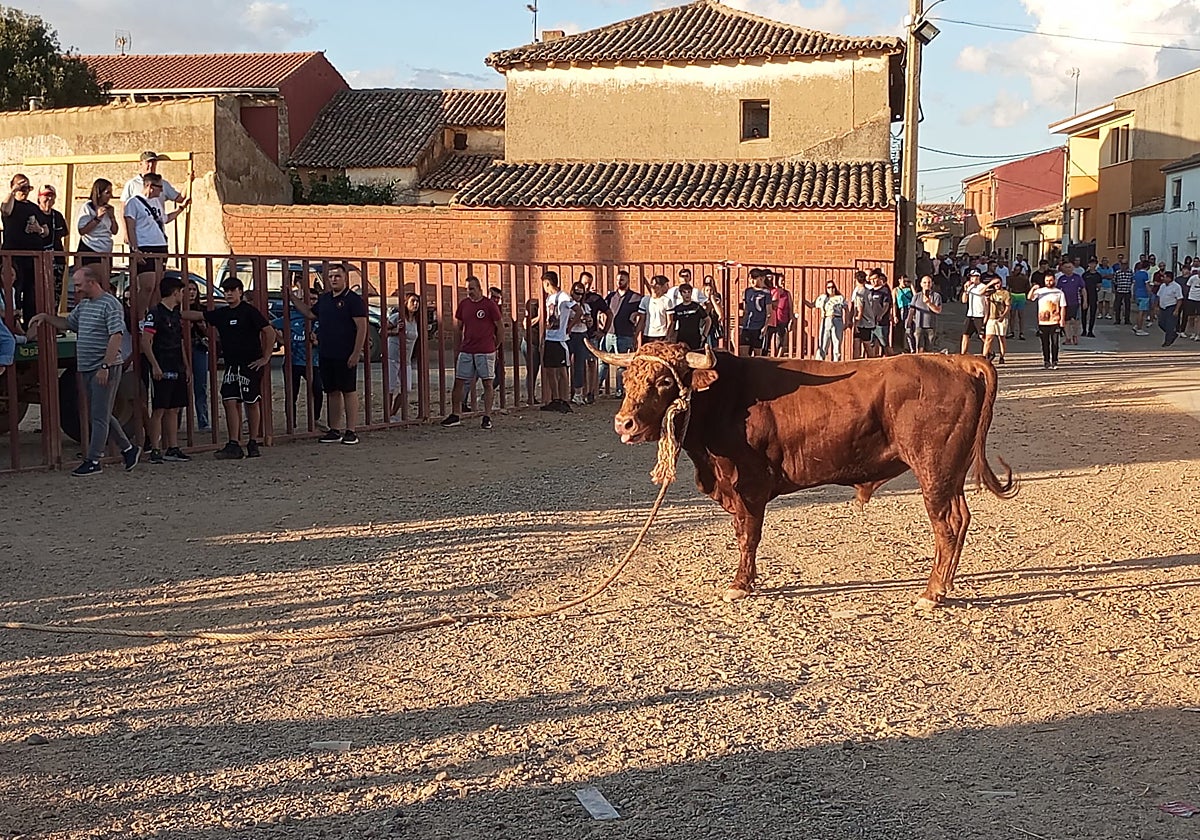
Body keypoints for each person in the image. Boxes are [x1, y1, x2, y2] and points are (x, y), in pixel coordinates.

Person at [28, 266, 139, 476]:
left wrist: (105, 365)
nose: (76, 289)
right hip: (88, 366)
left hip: (103, 366)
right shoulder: (85, 305)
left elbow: (116, 335)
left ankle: (94, 459)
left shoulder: (111, 304)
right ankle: (128, 449)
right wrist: (45, 317)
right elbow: (69, 323)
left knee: (98, 415)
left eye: (79, 284)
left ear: (92, 282)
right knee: (100, 413)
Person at [181, 276, 273, 459]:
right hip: (232, 365)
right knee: (229, 400)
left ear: (240, 292)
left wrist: (266, 357)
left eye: (232, 290)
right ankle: (233, 443)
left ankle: (253, 441)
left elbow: (268, 331)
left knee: (251, 401)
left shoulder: (250, 312)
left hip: (251, 363)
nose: (229, 294)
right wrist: (173, 312)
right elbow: (199, 315)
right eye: (226, 291)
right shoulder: (222, 313)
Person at [291, 263, 368, 444]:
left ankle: (351, 431)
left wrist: (356, 353)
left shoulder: (353, 300)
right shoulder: (325, 299)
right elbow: (311, 314)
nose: (334, 279)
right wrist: (293, 299)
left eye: (337, 276)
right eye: (331, 276)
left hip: (345, 353)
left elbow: (362, 327)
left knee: (348, 391)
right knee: (332, 391)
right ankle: (334, 430)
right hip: (326, 353)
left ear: (345, 278)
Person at [139, 275, 191, 463]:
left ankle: (173, 447)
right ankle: (155, 449)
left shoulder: (176, 314)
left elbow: (180, 341)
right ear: (175, 292)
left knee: (174, 408)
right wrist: (155, 365)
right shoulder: (156, 313)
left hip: (176, 365)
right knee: (160, 408)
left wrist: (186, 366)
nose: (183, 296)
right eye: (182, 292)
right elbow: (146, 341)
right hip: (162, 364)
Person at [441, 275, 502, 429]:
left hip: (485, 350)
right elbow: (458, 327)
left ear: (479, 288)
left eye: (472, 288)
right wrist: (457, 347)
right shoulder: (464, 305)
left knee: (487, 382)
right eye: (468, 289)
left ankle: (487, 416)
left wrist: (496, 345)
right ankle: (456, 414)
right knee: (459, 381)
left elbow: (499, 326)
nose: (470, 292)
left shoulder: (489, 305)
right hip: (467, 349)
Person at [124, 173, 181, 316]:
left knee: (157, 287)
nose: (161, 191)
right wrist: (134, 248)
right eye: (159, 187)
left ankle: (153, 317)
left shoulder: (156, 202)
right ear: (149, 186)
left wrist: (180, 209)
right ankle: (139, 317)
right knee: (147, 285)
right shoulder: (134, 202)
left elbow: (165, 219)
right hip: (145, 246)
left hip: (160, 245)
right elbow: (130, 226)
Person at [273, 292, 323, 430]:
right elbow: (270, 326)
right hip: (293, 361)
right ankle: (291, 423)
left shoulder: (320, 317)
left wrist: (317, 342)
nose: (311, 302)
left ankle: (315, 419)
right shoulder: (291, 317)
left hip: (314, 362)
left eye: (314, 299)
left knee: (318, 390)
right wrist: (281, 341)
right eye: (307, 299)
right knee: (291, 394)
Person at [2, 174, 46, 326]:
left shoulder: (33, 207)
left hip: (32, 255)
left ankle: (30, 326)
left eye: (27, 188)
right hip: (13, 254)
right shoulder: (11, 203)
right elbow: (5, 210)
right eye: (22, 187)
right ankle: (14, 324)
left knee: (32, 293)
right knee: (14, 289)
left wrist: (39, 229)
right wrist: (13, 191)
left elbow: (46, 230)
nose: (25, 191)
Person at [539, 270, 576, 413]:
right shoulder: (549, 298)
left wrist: (569, 327)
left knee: (562, 370)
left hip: (560, 338)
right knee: (549, 369)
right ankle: (555, 399)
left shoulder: (564, 296)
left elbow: (577, 310)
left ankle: (564, 399)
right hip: (550, 337)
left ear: (547, 283)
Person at [601, 269, 641, 398]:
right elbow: (603, 311)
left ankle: (620, 391)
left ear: (628, 281)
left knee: (622, 365)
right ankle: (595, 389)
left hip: (625, 334)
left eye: (622, 279)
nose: (619, 282)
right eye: (618, 280)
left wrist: (635, 316)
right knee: (603, 362)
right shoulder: (611, 296)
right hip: (609, 334)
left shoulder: (636, 297)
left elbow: (642, 313)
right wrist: (602, 325)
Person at [387, 291, 422, 421]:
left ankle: (392, 412)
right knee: (390, 387)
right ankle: (387, 415)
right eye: (413, 301)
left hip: (406, 359)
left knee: (406, 388)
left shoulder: (416, 321)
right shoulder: (398, 317)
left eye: (417, 301)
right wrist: (395, 331)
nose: (416, 304)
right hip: (392, 356)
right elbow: (382, 330)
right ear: (406, 303)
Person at [183, 280, 210, 431]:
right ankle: (179, 422)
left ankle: (203, 421)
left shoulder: (202, 309)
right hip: (180, 348)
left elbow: (212, 336)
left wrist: (203, 328)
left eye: (194, 289)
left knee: (201, 386)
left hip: (198, 347)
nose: (192, 292)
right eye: (188, 289)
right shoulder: (175, 309)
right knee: (181, 386)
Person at [76, 178, 118, 273]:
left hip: (106, 249)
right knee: (89, 280)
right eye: (107, 193)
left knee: (103, 282)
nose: (110, 196)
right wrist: (97, 218)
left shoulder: (108, 209)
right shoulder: (87, 207)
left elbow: (114, 231)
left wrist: (112, 217)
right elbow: (82, 230)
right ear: (99, 193)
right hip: (90, 247)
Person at [35, 185, 67, 307]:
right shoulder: (34, 212)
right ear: (39, 197)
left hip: (57, 259)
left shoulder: (57, 215)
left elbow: (64, 231)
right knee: (39, 292)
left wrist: (50, 232)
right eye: (46, 195)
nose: (49, 199)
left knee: (55, 294)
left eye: (52, 196)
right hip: (39, 259)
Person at [578, 274, 608, 403]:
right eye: (585, 283)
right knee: (578, 365)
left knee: (592, 364)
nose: (587, 286)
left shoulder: (596, 298)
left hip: (591, 336)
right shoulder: (574, 297)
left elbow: (609, 313)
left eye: (589, 283)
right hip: (577, 335)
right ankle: (579, 392)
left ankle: (591, 392)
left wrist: (603, 331)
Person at [1029, 272, 1066, 370]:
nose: (1049, 282)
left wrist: (1062, 320)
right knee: (1045, 342)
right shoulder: (1040, 291)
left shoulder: (1059, 292)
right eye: (1047, 280)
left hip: (1055, 321)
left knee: (1055, 343)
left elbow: (1063, 307)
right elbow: (1030, 298)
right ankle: (1046, 361)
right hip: (1043, 321)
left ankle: (1055, 361)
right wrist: (1033, 288)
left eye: (1050, 280)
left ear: (1054, 280)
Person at [566, 281, 594, 406]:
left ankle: (578, 393)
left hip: (582, 334)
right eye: (576, 293)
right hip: (570, 335)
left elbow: (591, 323)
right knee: (565, 364)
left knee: (580, 365)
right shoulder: (568, 305)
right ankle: (565, 392)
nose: (578, 296)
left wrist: (588, 320)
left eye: (581, 294)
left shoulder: (586, 307)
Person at [666, 283, 710, 350]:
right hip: (682, 339)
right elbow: (673, 324)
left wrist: (704, 335)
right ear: (681, 293)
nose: (687, 294)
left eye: (689, 292)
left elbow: (708, 320)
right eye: (684, 292)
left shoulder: (697, 307)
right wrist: (669, 337)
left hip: (695, 338)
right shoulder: (677, 309)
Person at [811, 280, 846, 361]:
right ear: (826, 289)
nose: (831, 289)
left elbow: (846, 308)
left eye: (833, 287)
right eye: (829, 287)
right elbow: (813, 305)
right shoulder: (823, 298)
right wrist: (803, 301)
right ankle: (819, 361)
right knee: (823, 341)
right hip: (826, 319)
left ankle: (836, 362)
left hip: (837, 319)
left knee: (836, 342)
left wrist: (847, 321)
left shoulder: (840, 297)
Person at [739, 268, 771, 356]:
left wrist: (765, 326)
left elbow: (769, 312)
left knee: (758, 355)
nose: (752, 280)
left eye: (754, 278)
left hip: (758, 327)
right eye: (750, 278)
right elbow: (746, 309)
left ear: (760, 278)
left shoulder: (766, 293)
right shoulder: (747, 291)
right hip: (747, 326)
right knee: (743, 353)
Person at [907, 275, 942, 353]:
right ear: (921, 284)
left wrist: (929, 303)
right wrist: (908, 323)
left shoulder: (936, 296)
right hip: (918, 325)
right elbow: (912, 310)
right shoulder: (916, 296)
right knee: (919, 348)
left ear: (932, 284)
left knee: (929, 349)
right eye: (925, 282)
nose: (927, 284)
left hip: (931, 326)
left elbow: (938, 310)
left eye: (929, 282)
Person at [635, 274, 672, 346]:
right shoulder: (645, 300)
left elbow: (670, 321)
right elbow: (641, 320)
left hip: (661, 335)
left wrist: (667, 337)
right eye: (666, 285)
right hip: (648, 335)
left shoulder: (667, 301)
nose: (668, 287)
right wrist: (637, 336)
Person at [1054, 260, 1085, 345]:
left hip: (1075, 302)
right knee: (1066, 321)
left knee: (1075, 321)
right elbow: (1058, 291)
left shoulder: (1077, 277)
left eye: (1070, 267)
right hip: (1064, 303)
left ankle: (1075, 336)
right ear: (1063, 268)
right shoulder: (1061, 279)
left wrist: (1085, 301)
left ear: (1073, 268)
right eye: (1066, 267)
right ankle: (1068, 338)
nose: (1068, 269)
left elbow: (1083, 289)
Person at [981, 278, 1012, 364]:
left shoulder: (1005, 293)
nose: (997, 285)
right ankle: (984, 356)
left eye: (998, 283)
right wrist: (990, 284)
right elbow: (981, 293)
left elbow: (1008, 306)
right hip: (991, 318)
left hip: (1001, 318)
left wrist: (1003, 315)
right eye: (995, 283)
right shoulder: (991, 293)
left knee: (1001, 338)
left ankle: (1002, 356)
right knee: (988, 338)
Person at [960, 269, 988, 355]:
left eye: (974, 277)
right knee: (965, 334)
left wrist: (986, 316)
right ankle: (963, 353)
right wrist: (966, 290)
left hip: (979, 314)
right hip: (970, 314)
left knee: (982, 336)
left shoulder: (983, 287)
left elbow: (987, 303)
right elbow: (964, 300)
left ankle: (988, 351)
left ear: (978, 277)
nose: (972, 279)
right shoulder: (970, 288)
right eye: (971, 277)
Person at [867, 270, 893, 357]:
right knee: (871, 344)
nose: (873, 281)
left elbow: (886, 304)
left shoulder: (885, 290)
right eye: (871, 279)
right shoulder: (869, 291)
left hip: (881, 323)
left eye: (875, 279)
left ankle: (891, 360)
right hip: (870, 323)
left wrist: (881, 315)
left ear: (879, 279)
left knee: (884, 343)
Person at [1155, 270, 1185, 347]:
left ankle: (1167, 341)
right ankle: (1172, 334)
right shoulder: (1162, 286)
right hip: (1163, 308)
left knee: (1169, 325)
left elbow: (1179, 299)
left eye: (1164, 277)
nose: (1162, 279)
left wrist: (1176, 310)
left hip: (1171, 307)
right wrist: (1156, 306)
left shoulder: (1176, 286)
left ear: (1169, 278)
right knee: (1161, 323)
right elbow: (1158, 296)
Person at [767, 272, 793, 356]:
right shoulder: (772, 292)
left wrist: (791, 319)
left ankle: (778, 356)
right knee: (768, 338)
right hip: (773, 319)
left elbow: (790, 307)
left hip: (783, 319)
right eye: (782, 280)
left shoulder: (786, 293)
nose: (783, 282)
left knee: (780, 339)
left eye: (784, 280)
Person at [850, 271, 874, 360]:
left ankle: (856, 364)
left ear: (856, 280)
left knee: (859, 345)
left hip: (862, 323)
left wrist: (855, 324)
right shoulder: (868, 291)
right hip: (869, 321)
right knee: (867, 344)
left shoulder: (859, 293)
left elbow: (859, 310)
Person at [1006, 266, 1030, 340]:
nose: (1016, 271)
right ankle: (1012, 331)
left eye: (1017, 270)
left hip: (1021, 295)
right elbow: (1008, 287)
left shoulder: (1024, 278)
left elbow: (1027, 288)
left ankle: (1021, 332)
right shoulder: (1011, 278)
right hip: (1013, 294)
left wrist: (1026, 297)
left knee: (1021, 315)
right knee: (1012, 314)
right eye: (1015, 270)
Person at [701, 275, 724, 349]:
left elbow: (720, 314)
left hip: (713, 325)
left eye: (710, 281)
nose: (709, 292)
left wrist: (713, 300)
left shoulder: (716, 297)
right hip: (703, 326)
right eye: (707, 290)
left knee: (713, 346)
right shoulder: (701, 299)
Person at [893, 275, 914, 352]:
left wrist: (911, 285)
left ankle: (912, 347)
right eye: (904, 281)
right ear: (899, 280)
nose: (905, 283)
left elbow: (915, 297)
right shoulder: (896, 290)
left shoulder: (909, 289)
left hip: (911, 308)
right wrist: (894, 315)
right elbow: (894, 303)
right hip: (903, 309)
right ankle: (911, 348)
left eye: (907, 281)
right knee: (907, 328)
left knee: (912, 328)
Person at [1131, 261, 1152, 336]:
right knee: (1142, 312)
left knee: (1140, 311)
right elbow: (1147, 284)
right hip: (1144, 294)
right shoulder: (1145, 274)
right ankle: (1139, 328)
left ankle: (1137, 325)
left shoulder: (1136, 274)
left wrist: (1133, 294)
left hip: (1137, 293)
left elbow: (1134, 285)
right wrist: (1150, 292)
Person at [1184, 268, 1200, 341]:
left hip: (1199, 300)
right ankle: (1193, 332)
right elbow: (1187, 286)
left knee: (1198, 318)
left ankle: (1198, 334)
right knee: (1191, 317)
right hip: (1191, 299)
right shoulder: (1193, 278)